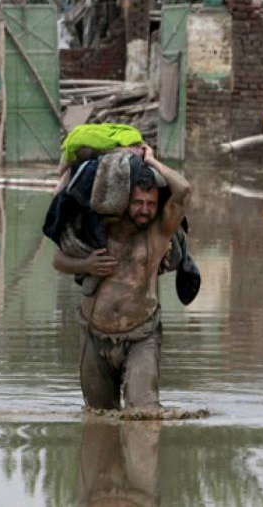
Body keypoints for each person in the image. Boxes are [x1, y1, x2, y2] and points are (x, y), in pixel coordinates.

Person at [52, 146, 190, 410]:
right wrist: (87, 264)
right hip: (94, 335)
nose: (144, 210)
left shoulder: (159, 233)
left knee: (145, 412)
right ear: (124, 200)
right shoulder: (97, 229)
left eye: (150, 204)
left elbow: (183, 191)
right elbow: (57, 260)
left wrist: (151, 161)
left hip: (142, 335)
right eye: (138, 202)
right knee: (99, 419)